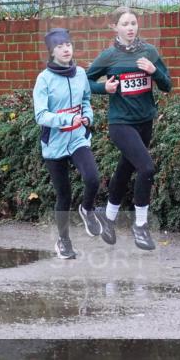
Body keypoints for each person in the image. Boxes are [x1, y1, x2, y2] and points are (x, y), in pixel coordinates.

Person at [86, 7, 171, 250]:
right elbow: (85, 81)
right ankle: (141, 225)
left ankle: (109, 218)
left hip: (145, 122)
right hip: (120, 123)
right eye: (125, 24)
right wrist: (105, 89)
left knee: (125, 169)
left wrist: (155, 72)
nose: (131, 28)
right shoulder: (109, 56)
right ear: (115, 27)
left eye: (133, 23)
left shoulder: (149, 51)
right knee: (146, 168)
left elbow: (168, 85)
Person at [33, 27, 105, 259]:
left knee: (92, 178)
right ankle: (63, 241)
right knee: (63, 194)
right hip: (54, 144)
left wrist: (87, 117)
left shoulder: (81, 73)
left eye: (68, 45)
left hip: (77, 138)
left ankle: (87, 208)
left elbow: (86, 100)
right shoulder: (43, 79)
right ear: (52, 52)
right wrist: (66, 118)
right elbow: (41, 115)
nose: (65, 49)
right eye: (59, 46)